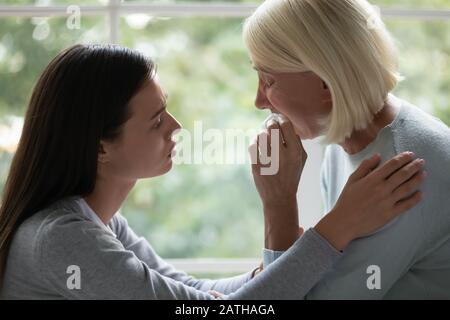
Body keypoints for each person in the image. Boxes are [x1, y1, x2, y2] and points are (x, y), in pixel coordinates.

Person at [0, 44, 424, 299]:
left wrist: (278, 263)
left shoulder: (101, 225)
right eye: (157, 119)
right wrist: (339, 227)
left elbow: (195, 296)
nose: (177, 127)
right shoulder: (62, 241)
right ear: (100, 146)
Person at [243, 0, 450, 299]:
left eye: (269, 80)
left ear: (327, 81)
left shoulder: (403, 171)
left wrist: (279, 204)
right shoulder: (346, 146)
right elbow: (299, 282)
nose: (259, 101)